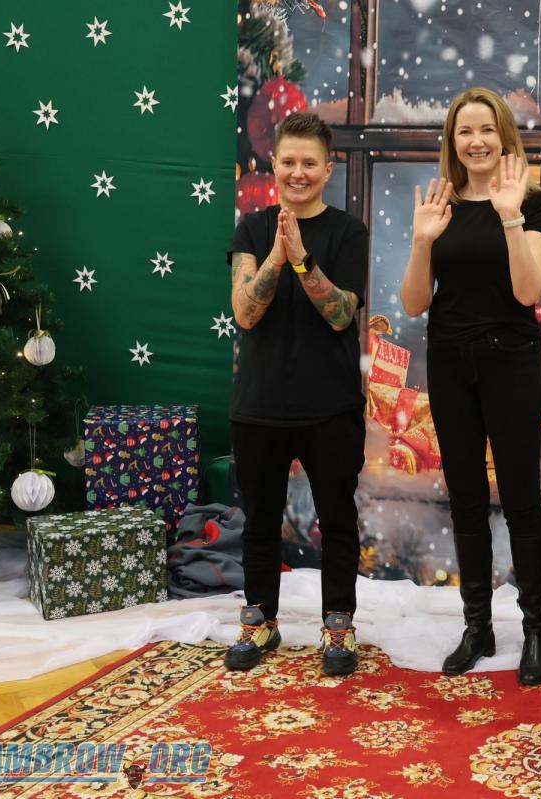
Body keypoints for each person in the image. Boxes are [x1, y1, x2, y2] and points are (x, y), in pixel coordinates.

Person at [400, 87, 541, 686]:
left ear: (504, 135)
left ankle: (536, 629)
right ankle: (477, 627)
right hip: (450, 364)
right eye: (465, 131)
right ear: (452, 141)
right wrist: (422, 241)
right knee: (465, 499)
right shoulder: (439, 206)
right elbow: (414, 302)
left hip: (510, 362)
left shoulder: (532, 203)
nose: (477, 141)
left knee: (520, 499)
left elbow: (528, 291)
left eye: (487, 129)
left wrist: (510, 216)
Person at [225, 111, 369, 677]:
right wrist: (277, 256)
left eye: (310, 162)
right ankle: (260, 618)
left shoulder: (348, 232)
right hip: (259, 404)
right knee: (259, 519)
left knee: (337, 519)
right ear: (274, 164)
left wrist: (303, 259)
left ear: (328, 169)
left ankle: (339, 622)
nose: (298, 172)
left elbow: (341, 314)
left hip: (330, 404)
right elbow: (245, 312)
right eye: (289, 161)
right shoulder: (252, 230)